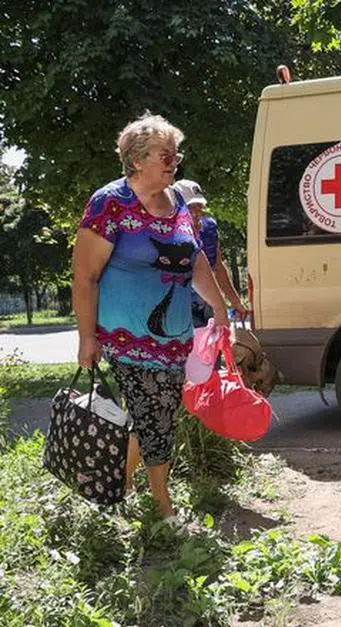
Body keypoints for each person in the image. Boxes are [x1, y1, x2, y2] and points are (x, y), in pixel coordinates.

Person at [71, 113, 231, 521]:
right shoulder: (109, 203)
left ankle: (116, 487)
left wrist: (218, 306)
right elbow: (85, 276)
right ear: (137, 159)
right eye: (165, 154)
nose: (173, 161)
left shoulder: (177, 201)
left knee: (156, 416)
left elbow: (195, 261)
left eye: (175, 155)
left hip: (175, 336)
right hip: (127, 336)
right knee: (154, 418)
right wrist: (86, 337)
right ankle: (163, 508)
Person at [171, 179, 249, 327]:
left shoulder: (209, 229)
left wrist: (235, 302)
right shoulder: (164, 233)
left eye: (199, 207)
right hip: (178, 309)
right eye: (190, 207)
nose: (196, 213)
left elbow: (218, 267)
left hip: (206, 306)